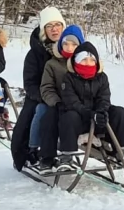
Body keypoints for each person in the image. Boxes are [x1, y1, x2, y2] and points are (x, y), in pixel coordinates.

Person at [53, 41, 124, 174]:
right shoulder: (68, 78)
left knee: (120, 113)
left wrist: (101, 112)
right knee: (68, 116)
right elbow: (71, 102)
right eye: (84, 60)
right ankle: (66, 156)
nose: (88, 63)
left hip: (97, 121)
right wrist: (90, 114)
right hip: (78, 120)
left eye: (92, 60)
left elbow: (104, 98)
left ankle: (122, 149)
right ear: (76, 61)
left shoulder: (102, 78)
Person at [10, 7, 66, 170]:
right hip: (40, 97)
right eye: (50, 26)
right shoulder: (34, 54)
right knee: (42, 111)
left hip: (67, 96)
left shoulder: (70, 47)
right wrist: (48, 98)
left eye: (58, 25)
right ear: (44, 30)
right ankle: (34, 148)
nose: (54, 29)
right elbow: (30, 84)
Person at [33, 25, 86, 167]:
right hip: (60, 104)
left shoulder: (85, 62)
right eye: (66, 44)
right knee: (49, 118)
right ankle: (47, 156)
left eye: (74, 44)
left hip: (81, 106)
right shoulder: (52, 64)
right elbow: (46, 88)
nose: (69, 48)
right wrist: (56, 102)